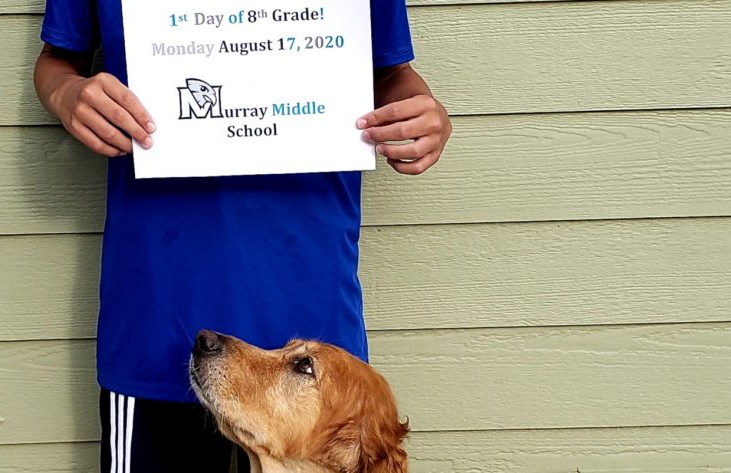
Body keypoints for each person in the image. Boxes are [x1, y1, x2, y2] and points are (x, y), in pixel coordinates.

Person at [33, 1, 451, 471]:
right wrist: (66, 93)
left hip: (310, 339)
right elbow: (57, 61)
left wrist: (423, 114)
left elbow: (391, 71)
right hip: (163, 309)